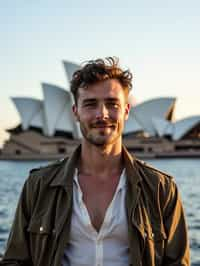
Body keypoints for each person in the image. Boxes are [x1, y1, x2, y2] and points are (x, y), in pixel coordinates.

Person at [1, 57, 190, 266]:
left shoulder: (161, 189)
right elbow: (15, 261)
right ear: (75, 112)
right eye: (90, 104)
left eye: (112, 104)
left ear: (126, 111)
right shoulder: (38, 186)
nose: (102, 114)